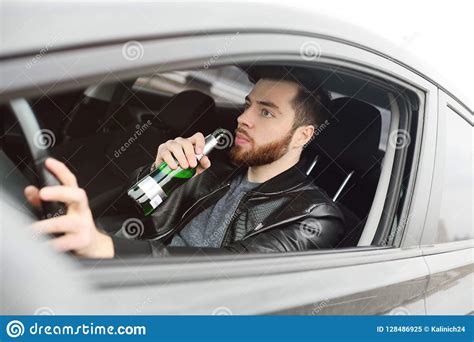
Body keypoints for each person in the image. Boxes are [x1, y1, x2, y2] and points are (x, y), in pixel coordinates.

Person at [24, 66, 345, 259]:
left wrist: (108, 249)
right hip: (128, 266)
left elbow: (228, 270)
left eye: (266, 112)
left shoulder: (314, 215)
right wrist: (161, 172)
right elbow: (134, 209)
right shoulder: (213, 167)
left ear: (302, 135)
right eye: (247, 106)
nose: (243, 118)